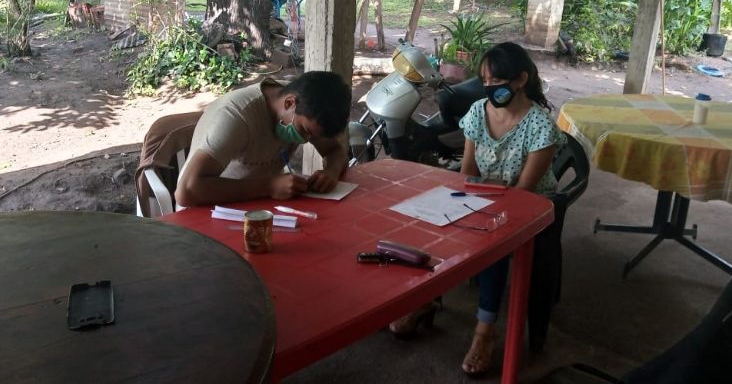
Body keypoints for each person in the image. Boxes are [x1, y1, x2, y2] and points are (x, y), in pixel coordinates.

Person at [387, 42, 566, 377]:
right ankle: (425, 298)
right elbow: (467, 171)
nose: (488, 88)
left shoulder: (540, 126)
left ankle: (485, 332)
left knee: (491, 243)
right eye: (484, 80)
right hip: (482, 196)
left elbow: (523, 194)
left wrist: (476, 207)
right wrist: (454, 204)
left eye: (496, 81)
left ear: (520, 79)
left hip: (529, 208)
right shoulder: (477, 113)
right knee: (431, 225)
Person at [175, 71, 351, 207]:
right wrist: (269, 187)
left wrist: (332, 172)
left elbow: (334, 150)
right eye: (305, 130)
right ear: (289, 103)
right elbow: (187, 191)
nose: (306, 140)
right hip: (209, 210)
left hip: (261, 205)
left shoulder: (307, 106)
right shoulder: (237, 117)